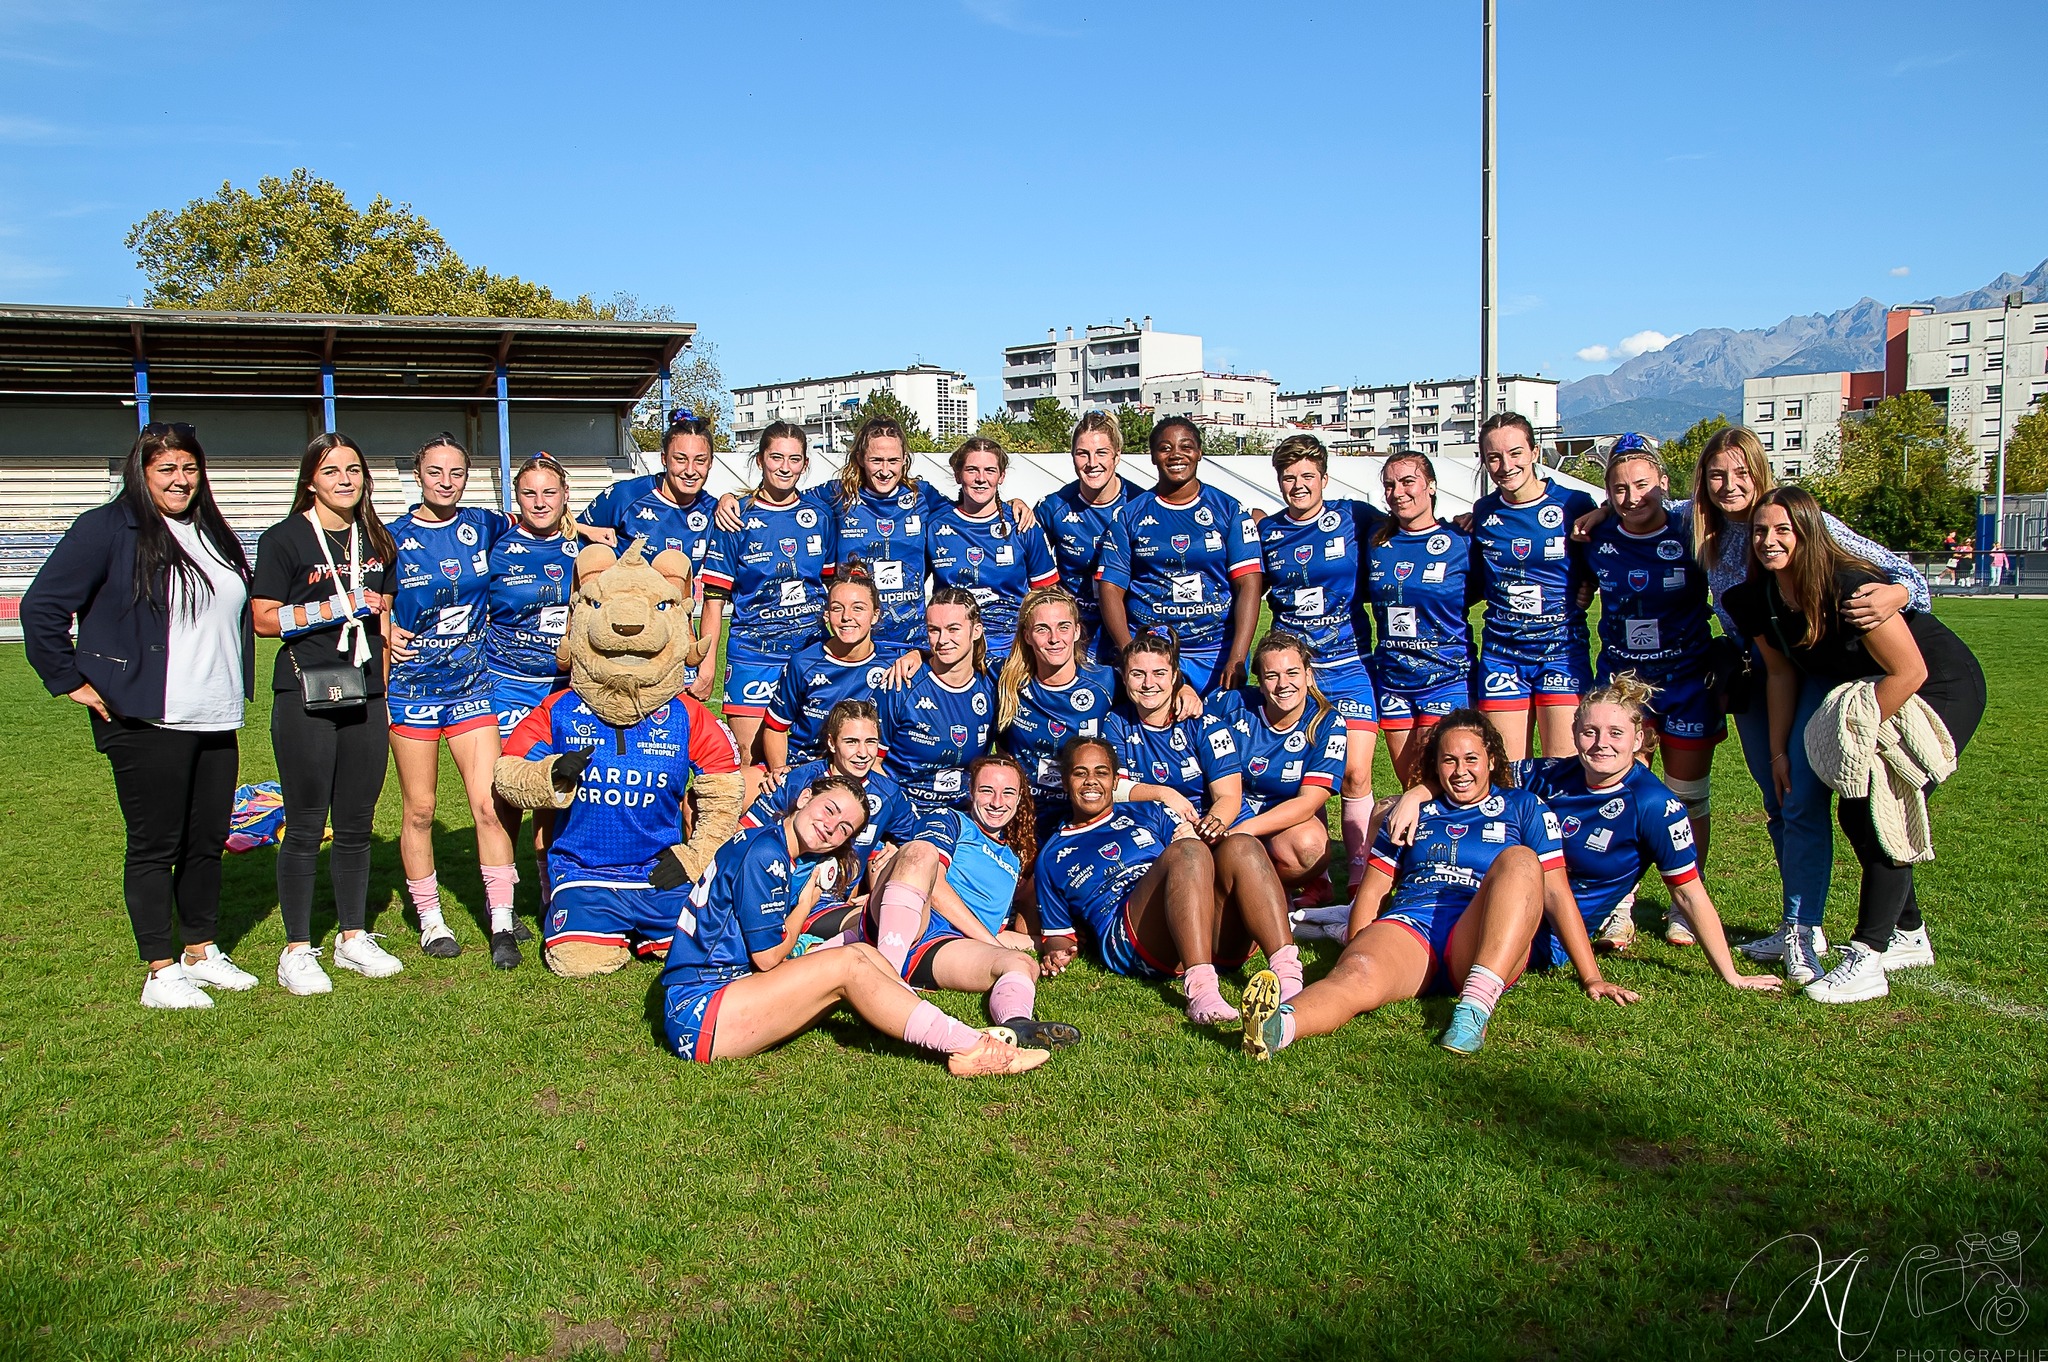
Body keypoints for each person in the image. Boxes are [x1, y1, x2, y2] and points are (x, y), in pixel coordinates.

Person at [1574, 425, 1928, 975]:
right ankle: (1809, 924)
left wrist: (1898, 590)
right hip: (1756, 672)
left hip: (1805, 669)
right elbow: (1638, 499)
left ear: (1760, 471)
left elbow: (1898, 569)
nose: (1729, 484)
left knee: (1804, 796)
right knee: (1778, 796)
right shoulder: (1701, 523)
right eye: (1717, 475)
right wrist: (1601, 510)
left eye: (1740, 472)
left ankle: (1813, 927)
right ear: (1701, 485)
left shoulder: (1793, 517)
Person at [23, 422, 257, 1009]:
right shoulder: (107, 528)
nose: (180, 480)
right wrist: (70, 681)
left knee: (206, 841)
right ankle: (159, 970)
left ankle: (200, 951)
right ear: (142, 471)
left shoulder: (212, 532)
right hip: (145, 717)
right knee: (156, 843)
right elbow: (43, 606)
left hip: (215, 713)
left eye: (189, 468)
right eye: (166, 470)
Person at [1722, 487, 1985, 1003]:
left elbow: (1911, 669)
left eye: (1783, 531)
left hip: (1935, 686)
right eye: (1759, 531)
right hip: (1876, 693)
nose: (1769, 541)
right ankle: (1907, 933)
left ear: (1808, 533)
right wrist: (1779, 753)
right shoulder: (1757, 598)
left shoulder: (1849, 586)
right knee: (1852, 814)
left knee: (1877, 808)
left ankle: (1867, 956)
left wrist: (1853, 735)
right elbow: (1779, 675)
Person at [655, 774, 1048, 1076]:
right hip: (701, 1014)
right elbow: (769, 958)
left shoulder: (771, 845)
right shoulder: (767, 855)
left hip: (722, 994)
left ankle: (945, 1030)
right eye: (828, 810)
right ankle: (968, 1046)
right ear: (804, 797)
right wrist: (805, 903)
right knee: (847, 965)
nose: (831, 827)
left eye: (845, 828)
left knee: (859, 952)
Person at [1239, 710, 1562, 1060]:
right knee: (1356, 973)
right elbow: (1374, 888)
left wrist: (1591, 976)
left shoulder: (1523, 806)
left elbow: (1555, 890)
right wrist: (1358, 947)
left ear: (1492, 759)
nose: (1461, 770)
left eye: (1471, 759)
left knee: (1520, 860)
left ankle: (1473, 1009)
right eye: (1449, 760)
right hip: (1413, 924)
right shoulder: (1414, 811)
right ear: (1435, 766)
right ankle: (1278, 1027)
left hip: (1481, 929)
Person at [248, 433, 403, 994]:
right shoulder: (284, 538)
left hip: (365, 694)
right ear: (310, 479)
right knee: (307, 824)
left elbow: (382, 618)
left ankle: (353, 937)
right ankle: (295, 949)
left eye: (355, 469)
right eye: (332, 470)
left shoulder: (378, 542)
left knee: (358, 826)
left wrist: (386, 669)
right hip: (304, 693)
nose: (345, 479)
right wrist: (331, 607)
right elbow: (264, 619)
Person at [713, 413, 1037, 653]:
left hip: (913, 645)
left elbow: (969, 506)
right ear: (861, 460)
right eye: (876, 460)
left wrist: (1011, 503)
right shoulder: (836, 496)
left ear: (904, 460)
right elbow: (781, 497)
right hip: (855, 642)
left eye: (893, 460)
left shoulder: (922, 496)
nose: (885, 469)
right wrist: (733, 500)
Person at [1036, 736, 1303, 1026]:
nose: (1091, 782)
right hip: (1134, 938)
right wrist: (1057, 950)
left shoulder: (1149, 811)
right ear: (1065, 782)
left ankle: (1287, 975)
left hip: (1195, 916)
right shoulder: (1052, 855)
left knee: (1242, 844)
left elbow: (1197, 857)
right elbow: (1057, 930)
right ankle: (1201, 990)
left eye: (1101, 772)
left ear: (1115, 781)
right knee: (1186, 852)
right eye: (1079, 773)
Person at [384, 434, 522, 968]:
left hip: (471, 690)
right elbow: (374, 599)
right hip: (413, 692)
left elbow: (548, 526)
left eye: (457, 472)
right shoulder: (391, 536)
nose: (446, 481)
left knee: (489, 805)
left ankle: (503, 923)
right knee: (420, 810)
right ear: (418, 474)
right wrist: (384, 635)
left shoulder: (486, 525)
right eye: (436, 471)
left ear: (468, 476)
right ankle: (431, 920)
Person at [1582, 438, 1721, 940]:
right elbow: (1580, 587)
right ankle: (1620, 899)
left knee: (1685, 801)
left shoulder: (1694, 531)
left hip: (1686, 681)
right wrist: (1598, 515)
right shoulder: (1596, 538)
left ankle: (1687, 902)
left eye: (1641, 484)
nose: (1631, 496)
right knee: (1618, 796)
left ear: (1663, 483)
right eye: (1618, 489)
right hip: (1623, 688)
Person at [846, 754, 1080, 1049]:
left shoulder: (1012, 860)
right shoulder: (950, 819)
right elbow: (937, 888)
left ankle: (1016, 1025)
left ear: (1020, 797)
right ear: (971, 792)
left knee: (1019, 963)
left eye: (1008, 792)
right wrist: (989, 942)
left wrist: (1046, 944)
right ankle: (886, 979)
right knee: (921, 850)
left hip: (946, 946)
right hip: (913, 919)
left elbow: (990, 929)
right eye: (987, 791)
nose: (997, 802)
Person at [1257, 432, 1386, 889]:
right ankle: (1313, 878)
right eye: (1288, 478)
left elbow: (1409, 526)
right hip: (1293, 674)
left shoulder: (1355, 516)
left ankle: (1357, 872)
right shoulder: (1266, 532)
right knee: (1301, 775)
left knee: (1353, 773)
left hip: (1349, 664)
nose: (1298, 486)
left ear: (1325, 478)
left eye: (1307, 476)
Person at [699, 421, 838, 764]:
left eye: (794, 459)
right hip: (753, 657)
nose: (785, 467)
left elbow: (834, 587)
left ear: (805, 465)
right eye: (776, 457)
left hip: (809, 656)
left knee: (814, 759)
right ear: (760, 460)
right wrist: (706, 666)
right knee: (751, 761)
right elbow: (714, 601)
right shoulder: (735, 516)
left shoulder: (820, 514)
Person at [1097, 417, 1264, 694]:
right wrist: (1131, 654)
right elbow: (1110, 588)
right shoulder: (1129, 515)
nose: (1176, 455)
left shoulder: (1229, 509)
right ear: (1153, 456)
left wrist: (1236, 656)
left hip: (1215, 654)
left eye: (1186, 447)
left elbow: (1249, 584)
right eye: (1165, 448)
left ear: (1199, 452)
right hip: (1155, 655)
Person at [1468, 412, 1598, 762]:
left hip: (1561, 651)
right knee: (1508, 772)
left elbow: (1609, 555)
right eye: (1493, 457)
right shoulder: (1483, 512)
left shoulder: (1575, 504)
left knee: (1565, 769)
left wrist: (1590, 582)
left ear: (1535, 452)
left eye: (1515, 453)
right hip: (1503, 655)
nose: (1505, 465)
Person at [486, 455, 582, 913]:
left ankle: (548, 891)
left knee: (554, 788)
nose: (540, 502)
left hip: (565, 686)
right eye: (529, 493)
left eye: (549, 492)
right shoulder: (496, 546)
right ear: (516, 498)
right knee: (507, 790)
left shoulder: (582, 550)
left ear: (565, 496)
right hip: (508, 685)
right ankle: (500, 893)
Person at [576, 413, 721, 695]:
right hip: (618, 636)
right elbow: (566, 531)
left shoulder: (714, 511)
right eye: (680, 459)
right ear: (664, 459)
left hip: (672, 640)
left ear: (711, 463)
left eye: (700, 460)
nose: (690, 470)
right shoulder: (625, 496)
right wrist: (585, 528)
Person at [1208, 634, 1349, 920]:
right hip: (1226, 808)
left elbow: (1309, 803)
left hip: (1277, 821)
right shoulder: (1231, 704)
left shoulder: (1328, 723)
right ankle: (1248, 888)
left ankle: (1274, 885)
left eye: (1292, 673)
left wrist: (1242, 832)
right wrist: (1186, 696)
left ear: (1308, 676)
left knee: (1310, 846)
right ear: (1259, 683)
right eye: (1271, 675)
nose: (1283, 684)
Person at [1364, 452, 1477, 786]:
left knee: (1439, 782)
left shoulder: (1462, 541)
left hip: (1446, 678)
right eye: (1389, 484)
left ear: (1431, 486)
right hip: (1394, 682)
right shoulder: (1375, 540)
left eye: (1407, 481)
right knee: (1410, 785)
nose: (1398, 492)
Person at [742, 699, 919, 909]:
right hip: (774, 896)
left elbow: (917, 840)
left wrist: (898, 851)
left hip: (831, 907)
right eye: (851, 742)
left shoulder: (889, 795)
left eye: (871, 742)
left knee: (883, 919)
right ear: (832, 743)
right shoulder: (798, 780)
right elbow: (744, 832)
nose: (863, 753)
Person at [994, 587, 1119, 844]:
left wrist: (1182, 689)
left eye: (1063, 627)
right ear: (1027, 636)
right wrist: (920, 655)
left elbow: (1151, 687)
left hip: (1081, 811)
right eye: (1042, 629)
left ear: (1076, 631)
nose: (1054, 638)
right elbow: (957, 664)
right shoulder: (1005, 679)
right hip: (1024, 812)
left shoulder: (1106, 681)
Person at [922, 436, 1059, 665]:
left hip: (1012, 652)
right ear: (957, 475)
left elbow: (1047, 597)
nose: (981, 479)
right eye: (972, 470)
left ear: (1001, 476)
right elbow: (914, 585)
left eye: (990, 471)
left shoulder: (1022, 524)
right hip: (953, 650)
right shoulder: (936, 526)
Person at [1101, 630, 1245, 838]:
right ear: (1124, 678)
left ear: (1175, 676)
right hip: (1152, 828)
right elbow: (1115, 788)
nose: (1148, 683)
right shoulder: (1116, 722)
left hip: (1210, 823)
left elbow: (1228, 797)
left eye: (1159, 673)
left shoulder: (1205, 724)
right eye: (1137, 674)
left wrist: (1201, 831)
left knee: (1243, 850)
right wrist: (1164, 794)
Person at [874, 590, 999, 810]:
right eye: (934, 630)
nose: (943, 640)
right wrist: (898, 815)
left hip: (963, 814)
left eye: (953, 629)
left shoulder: (993, 685)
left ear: (976, 631)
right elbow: (870, 762)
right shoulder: (901, 683)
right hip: (904, 808)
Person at [761, 565, 893, 771]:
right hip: (803, 765)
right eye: (837, 608)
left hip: (860, 769)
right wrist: (780, 771)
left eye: (858, 608)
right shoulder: (803, 663)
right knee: (734, 787)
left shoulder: (894, 664)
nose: (846, 617)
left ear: (875, 615)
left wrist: (917, 655)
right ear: (827, 614)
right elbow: (775, 728)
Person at [1036, 411, 1132, 663]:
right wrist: (1013, 504)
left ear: (1117, 456)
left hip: (1129, 629)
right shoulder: (1054, 506)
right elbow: (1025, 552)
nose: (1092, 463)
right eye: (1082, 454)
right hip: (1076, 633)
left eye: (1101, 453)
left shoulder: (1139, 503)